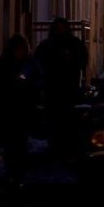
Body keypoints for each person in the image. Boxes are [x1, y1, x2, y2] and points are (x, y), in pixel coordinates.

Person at [35, 16, 87, 154]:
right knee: (55, 118)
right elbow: (39, 62)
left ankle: (65, 144)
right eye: (58, 28)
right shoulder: (48, 45)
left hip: (68, 87)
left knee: (67, 118)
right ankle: (57, 144)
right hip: (54, 88)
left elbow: (83, 60)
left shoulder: (74, 44)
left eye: (62, 27)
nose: (60, 30)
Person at [0, 34, 42, 188]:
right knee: (11, 141)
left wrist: (29, 86)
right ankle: (12, 172)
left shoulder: (30, 63)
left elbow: (38, 81)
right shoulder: (5, 63)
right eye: (17, 49)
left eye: (22, 49)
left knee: (20, 141)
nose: (19, 52)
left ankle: (18, 172)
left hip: (24, 107)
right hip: (9, 108)